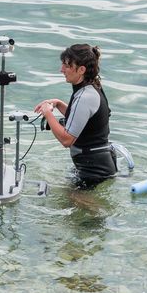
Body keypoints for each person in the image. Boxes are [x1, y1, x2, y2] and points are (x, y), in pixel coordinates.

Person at [34, 43, 116, 186]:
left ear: (81, 70)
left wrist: (48, 114)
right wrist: (59, 104)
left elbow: (66, 140)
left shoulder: (84, 97)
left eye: (67, 66)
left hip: (94, 171)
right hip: (96, 164)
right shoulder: (92, 87)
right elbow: (81, 120)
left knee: (78, 206)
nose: (62, 70)